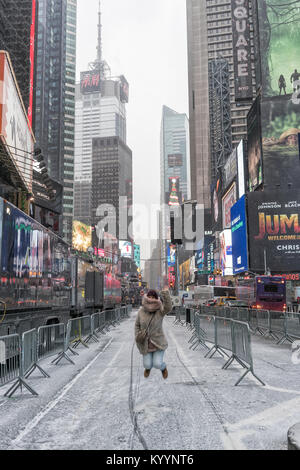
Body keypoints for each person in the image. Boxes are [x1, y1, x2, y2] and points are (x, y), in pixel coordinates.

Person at [135, 287, 172, 379]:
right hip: (145, 344)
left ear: (156, 299)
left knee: (157, 364)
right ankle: (148, 368)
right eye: (149, 297)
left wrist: (165, 293)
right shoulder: (141, 311)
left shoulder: (160, 310)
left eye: (153, 297)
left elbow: (168, 307)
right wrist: (138, 334)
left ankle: (163, 368)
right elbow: (137, 325)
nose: (151, 299)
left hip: (158, 343)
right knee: (147, 365)